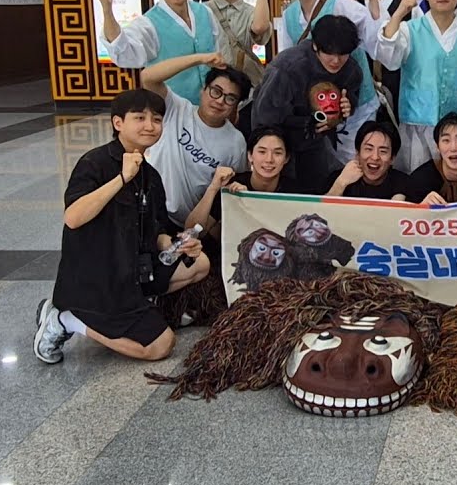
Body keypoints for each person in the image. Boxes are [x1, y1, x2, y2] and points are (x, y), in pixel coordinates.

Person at [33, 89, 210, 364]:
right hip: (95, 280)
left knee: (199, 264)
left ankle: (137, 303)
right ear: (118, 123)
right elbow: (73, 217)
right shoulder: (96, 162)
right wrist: (122, 178)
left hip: (132, 272)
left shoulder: (151, 175)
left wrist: (179, 244)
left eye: (157, 119)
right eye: (140, 118)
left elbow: (157, 233)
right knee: (160, 346)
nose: (150, 126)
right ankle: (66, 319)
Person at [274, 0, 383, 162]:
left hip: (356, 103)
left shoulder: (343, 5)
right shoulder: (288, 16)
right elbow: (288, 60)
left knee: (358, 161)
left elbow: (376, 40)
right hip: (318, 108)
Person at [376, 0, 457, 172]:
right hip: (416, 126)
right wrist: (399, 13)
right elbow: (389, 58)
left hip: (456, 133)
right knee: (418, 183)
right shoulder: (411, 30)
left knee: (453, 182)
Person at [140, 52, 250, 229]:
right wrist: (200, 59)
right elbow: (148, 77)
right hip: (149, 209)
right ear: (203, 89)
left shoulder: (236, 142)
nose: (220, 101)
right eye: (216, 91)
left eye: (230, 98)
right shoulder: (177, 109)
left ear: (235, 105)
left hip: (190, 224)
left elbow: (233, 188)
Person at [253, 15, 361, 194]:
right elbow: (265, 119)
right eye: (329, 53)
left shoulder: (351, 70)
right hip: (281, 142)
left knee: (318, 192)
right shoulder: (288, 68)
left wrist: (346, 107)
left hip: (317, 145)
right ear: (315, 46)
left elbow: (350, 97)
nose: (336, 61)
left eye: (342, 54)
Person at [97, 0, 218, 105]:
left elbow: (218, 51)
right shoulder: (149, 23)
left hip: (210, 109)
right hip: (170, 110)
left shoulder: (204, 12)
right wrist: (107, 9)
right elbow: (123, 51)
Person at [182, 127, 296, 242]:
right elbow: (191, 232)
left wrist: (249, 202)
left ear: (286, 158)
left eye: (277, 153)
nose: (269, 159)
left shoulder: (296, 193)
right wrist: (213, 188)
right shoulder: (232, 185)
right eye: (262, 152)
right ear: (250, 156)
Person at [205, 0, 272, 95]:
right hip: (212, 87)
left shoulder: (251, 11)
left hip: (247, 88)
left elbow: (260, 27)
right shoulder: (203, 10)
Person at [326, 121, 410, 200]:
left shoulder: (404, 184)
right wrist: (340, 184)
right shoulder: (339, 178)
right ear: (357, 153)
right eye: (369, 149)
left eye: (383, 151)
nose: (375, 157)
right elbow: (320, 213)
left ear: (392, 158)